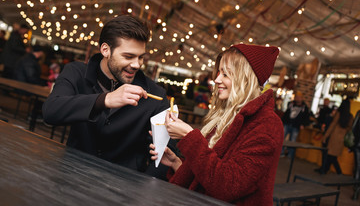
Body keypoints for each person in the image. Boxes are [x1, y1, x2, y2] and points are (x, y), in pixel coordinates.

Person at [150, 44, 284, 205]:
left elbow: (228, 186)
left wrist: (189, 137)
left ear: (245, 79)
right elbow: (208, 177)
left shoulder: (268, 124)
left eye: (226, 74)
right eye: (219, 72)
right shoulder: (227, 115)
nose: (217, 79)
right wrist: (176, 163)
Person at [42, 15, 172, 179]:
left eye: (141, 57)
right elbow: (51, 111)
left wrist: (142, 192)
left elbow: (164, 155)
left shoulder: (156, 95)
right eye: (128, 56)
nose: (137, 65)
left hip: (124, 190)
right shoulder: (76, 72)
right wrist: (105, 100)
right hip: (72, 177)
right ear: (105, 50)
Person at [321, 98, 354, 174]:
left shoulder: (339, 114)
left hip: (334, 137)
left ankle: (337, 171)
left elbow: (332, 125)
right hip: (341, 139)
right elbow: (350, 128)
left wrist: (325, 136)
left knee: (331, 156)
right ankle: (325, 170)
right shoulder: (350, 116)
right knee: (333, 156)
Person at [282, 91, 310, 158]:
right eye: (296, 97)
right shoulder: (291, 104)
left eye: (299, 97)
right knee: (282, 138)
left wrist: (303, 124)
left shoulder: (304, 108)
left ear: (302, 98)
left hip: (296, 126)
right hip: (287, 123)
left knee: (293, 141)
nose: (297, 98)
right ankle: (281, 153)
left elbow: (306, 117)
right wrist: (283, 121)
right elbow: (286, 114)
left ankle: (290, 155)